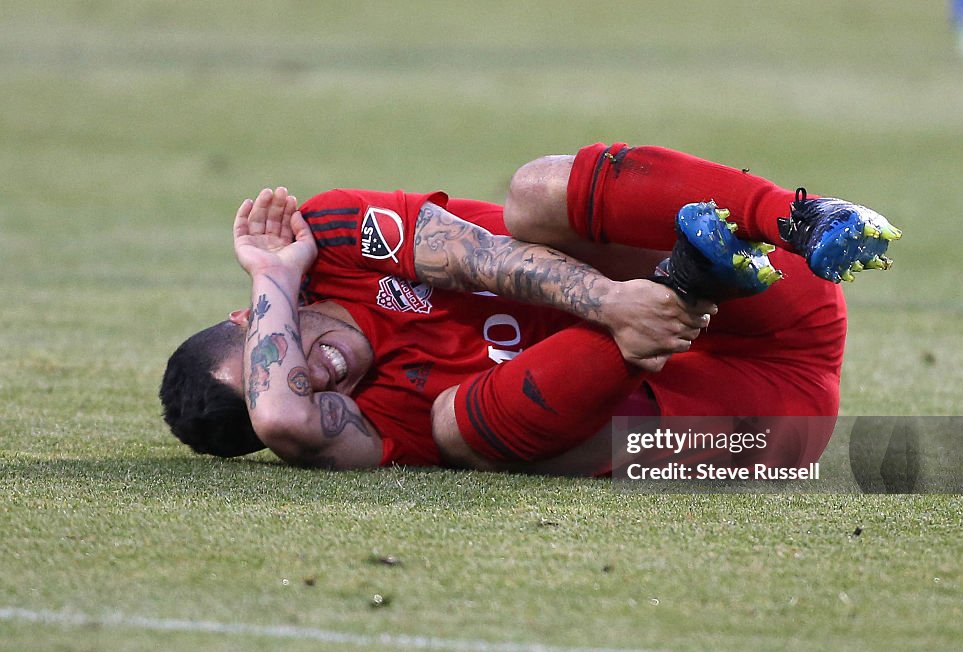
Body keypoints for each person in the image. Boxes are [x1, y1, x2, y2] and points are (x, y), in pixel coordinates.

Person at [160, 142, 900, 475]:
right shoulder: (350, 427)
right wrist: (272, 285)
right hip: (764, 425)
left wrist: (616, 302)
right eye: (287, 375)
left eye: (279, 343)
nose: (314, 376)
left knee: (530, 196)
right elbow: (284, 417)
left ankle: (796, 215)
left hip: (774, 276)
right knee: (455, 433)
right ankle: (690, 278)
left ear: (246, 317)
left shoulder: (332, 238)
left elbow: (479, 253)